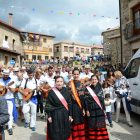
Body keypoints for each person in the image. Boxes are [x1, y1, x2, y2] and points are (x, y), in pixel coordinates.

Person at [85, 75, 109, 140]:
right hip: (91, 109)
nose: (94, 81)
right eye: (92, 79)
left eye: (95, 79)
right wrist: (87, 110)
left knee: (100, 125)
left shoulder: (100, 88)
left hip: (99, 109)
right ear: (90, 80)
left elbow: (101, 100)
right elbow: (86, 101)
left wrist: (104, 109)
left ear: (97, 80)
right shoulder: (87, 88)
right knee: (93, 124)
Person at [67, 68, 86, 140]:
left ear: (79, 74)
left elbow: (83, 98)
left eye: (77, 74)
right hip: (72, 106)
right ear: (72, 74)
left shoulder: (82, 84)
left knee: (80, 122)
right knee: (73, 122)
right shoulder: (69, 84)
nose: (76, 75)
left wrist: (84, 108)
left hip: (80, 106)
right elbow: (67, 98)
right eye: (74, 74)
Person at [0, 69, 18, 135]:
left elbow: (13, 90)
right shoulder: (0, 80)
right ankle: (5, 124)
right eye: (4, 75)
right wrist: (1, 89)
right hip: (2, 100)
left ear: (8, 74)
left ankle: (10, 127)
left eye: (6, 75)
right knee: (2, 113)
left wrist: (9, 88)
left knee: (9, 113)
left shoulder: (11, 81)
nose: (5, 76)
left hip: (10, 99)